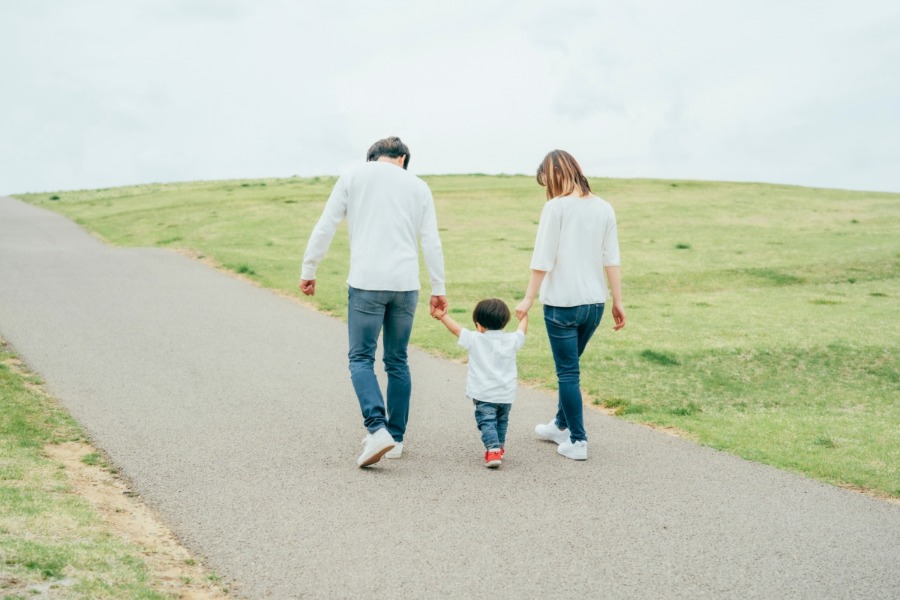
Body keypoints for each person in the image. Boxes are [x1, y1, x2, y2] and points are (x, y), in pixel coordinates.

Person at [299, 136, 447, 467]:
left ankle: (377, 428)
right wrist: (439, 287)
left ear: (372, 157)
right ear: (403, 158)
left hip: (367, 282)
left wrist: (310, 268)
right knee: (397, 361)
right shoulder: (418, 186)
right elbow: (431, 241)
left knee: (361, 359)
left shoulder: (353, 176)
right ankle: (395, 438)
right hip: (406, 285)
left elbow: (326, 225)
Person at [515, 150, 626, 461]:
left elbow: (543, 259)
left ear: (555, 175)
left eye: (546, 182)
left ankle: (577, 440)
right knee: (571, 369)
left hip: (562, 306)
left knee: (567, 373)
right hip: (594, 306)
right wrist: (617, 301)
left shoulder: (556, 208)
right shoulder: (604, 208)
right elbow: (611, 259)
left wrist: (528, 298)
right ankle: (561, 425)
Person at [432, 299, 527, 468]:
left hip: (484, 394)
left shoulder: (475, 339)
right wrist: (524, 317)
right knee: (501, 421)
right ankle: (499, 447)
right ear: (504, 323)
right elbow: (521, 332)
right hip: (506, 394)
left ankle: (493, 450)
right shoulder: (511, 340)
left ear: (479, 325)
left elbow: (456, 329)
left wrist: (442, 316)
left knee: (487, 422)